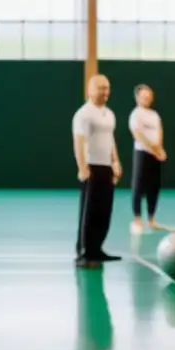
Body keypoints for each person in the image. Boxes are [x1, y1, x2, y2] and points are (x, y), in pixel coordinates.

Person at [73, 74, 122, 268]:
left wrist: (115, 161)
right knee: (89, 212)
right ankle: (84, 254)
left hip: (106, 167)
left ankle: (97, 249)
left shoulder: (109, 113)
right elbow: (79, 140)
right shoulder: (84, 113)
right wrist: (82, 166)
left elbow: (110, 139)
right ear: (90, 89)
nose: (105, 91)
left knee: (104, 210)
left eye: (107, 87)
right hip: (91, 167)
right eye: (101, 87)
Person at [128, 84, 166, 234]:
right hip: (142, 153)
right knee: (138, 185)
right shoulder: (136, 114)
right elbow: (138, 134)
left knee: (154, 186)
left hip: (155, 155)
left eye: (149, 97)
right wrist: (153, 149)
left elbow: (159, 131)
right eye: (144, 96)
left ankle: (151, 219)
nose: (147, 99)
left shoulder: (154, 115)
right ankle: (137, 219)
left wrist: (159, 148)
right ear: (138, 98)